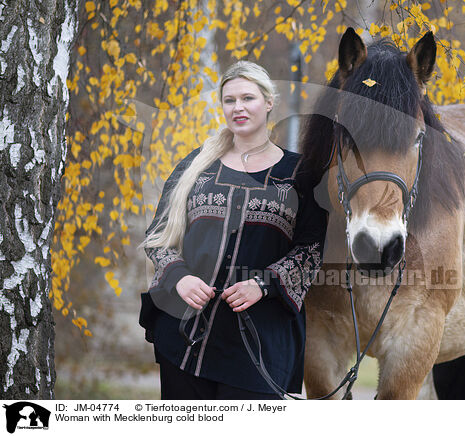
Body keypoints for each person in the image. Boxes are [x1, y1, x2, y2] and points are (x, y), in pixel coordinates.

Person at [139, 61, 328, 400]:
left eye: (248, 98)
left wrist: (264, 284)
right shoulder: (195, 166)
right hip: (185, 342)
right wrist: (179, 277)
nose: (238, 108)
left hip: (258, 350)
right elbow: (159, 236)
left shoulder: (301, 174)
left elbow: (311, 250)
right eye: (229, 100)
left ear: (269, 103)